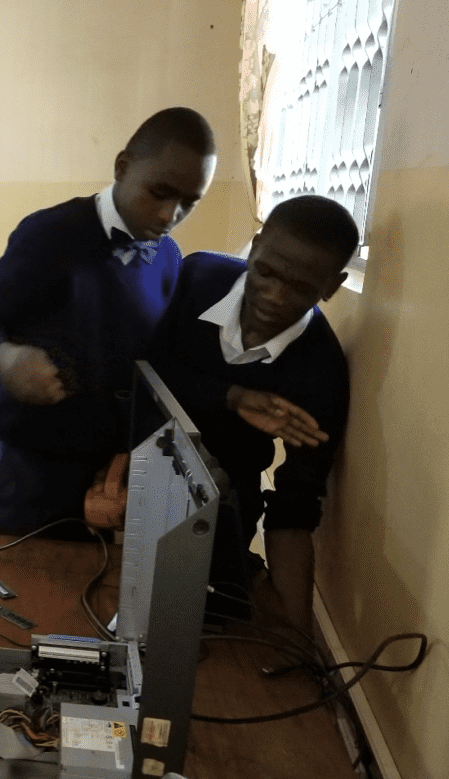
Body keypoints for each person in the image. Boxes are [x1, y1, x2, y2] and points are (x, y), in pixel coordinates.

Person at [0, 107, 217, 535]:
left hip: (109, 477)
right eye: (160, 193)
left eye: (189, 202)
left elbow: (156, 365)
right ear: (123, 166)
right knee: (25, 588)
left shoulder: (167, 258)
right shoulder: (49, 236)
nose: (170, 215)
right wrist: (6, 358)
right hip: (29, 471)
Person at [149, 194, 358, 639]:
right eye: (264, 271)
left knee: (196, 641)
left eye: (300, 287)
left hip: (221, 505)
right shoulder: (198, 277)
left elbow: (295, 510)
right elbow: (147, 368)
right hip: (131, 464)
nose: (273, 296)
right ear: (256, 245)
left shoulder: (320, 375)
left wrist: (301, 641)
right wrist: (230, 396)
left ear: (332, 286)